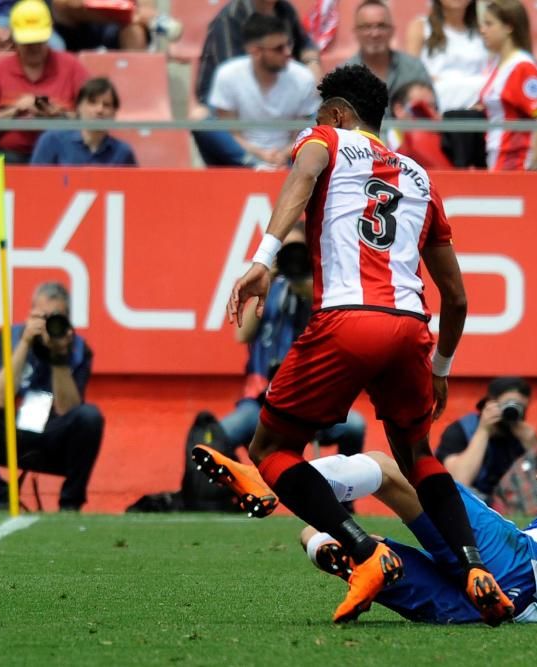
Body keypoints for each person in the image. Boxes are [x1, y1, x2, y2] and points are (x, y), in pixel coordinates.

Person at [210, 63, 514, 626]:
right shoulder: (421, 177)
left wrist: (263, 259)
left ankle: (363, 549)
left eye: (319, 113)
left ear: (340, 113)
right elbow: (459, 297)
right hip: (408, 327)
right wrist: (441, 369)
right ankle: (476, 567)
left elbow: (302, 176)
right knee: (416, 453)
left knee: (271, 448)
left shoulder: (326, 139)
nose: (313, 123)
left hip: (348, 318)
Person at [197, 429, 537, 624]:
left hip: (518, 562)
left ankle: (270, 479)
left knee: (389, 469)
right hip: (491, 610)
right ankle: (355, 559)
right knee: (315, 535)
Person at [219, 225, 366, 475]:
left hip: (312, 399)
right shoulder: (268, 289)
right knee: (219, 435)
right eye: (285, 251)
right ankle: (234, 495)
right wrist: (267, 279)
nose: (292, 257)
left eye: (298, 251)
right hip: (261, 400)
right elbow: (241, 334)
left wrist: (306, 286)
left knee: (354, 425)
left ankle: (346, 495)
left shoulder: (324, 292)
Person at [0, 282, 104, 512]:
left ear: (67, 318)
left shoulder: (77, 348)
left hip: (51, 434)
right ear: (31, 314)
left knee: (90, 416)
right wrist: (25, 343)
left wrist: (58, 356)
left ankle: (71, 504)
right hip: (8, 427)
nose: (47, 324)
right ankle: (1, 498)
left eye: (54, 317)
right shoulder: (11, 337)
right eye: (42, 316)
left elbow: (68, 409)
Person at [193, 13, 320, 168]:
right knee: (200, 119)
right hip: (242, 155)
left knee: (321, 121)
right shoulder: (228, 74)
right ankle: (255, 166)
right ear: (256, 51)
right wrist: (259, 155)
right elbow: (233, 134)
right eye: (279, 49)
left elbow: (299, 133)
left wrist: (282, 155)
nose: (287, 53)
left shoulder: (302, 77)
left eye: (289, 45)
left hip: (288, 157)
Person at [0, 0, 89, 164]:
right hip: (10, 157)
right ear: (13, 37)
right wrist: (14, 112)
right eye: (27, 43)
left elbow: (94, 118)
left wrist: (58, 115)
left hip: (61, 157)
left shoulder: (73, 68)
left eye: (39, 41)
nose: (34, 47)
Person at [435, 376, 537, 505]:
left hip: (509, 503)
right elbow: (459, 481)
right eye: (508, 404)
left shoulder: (524, 435)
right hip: (470, 502)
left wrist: (533, 446)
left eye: (519, 406)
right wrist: (483, 431)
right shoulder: (462, 429)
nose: (512, 410)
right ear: (489, 404)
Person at [194, 0, 320, 106]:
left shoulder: (285, 9)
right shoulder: (230, 18)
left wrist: (311, 65)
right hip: (226, 103)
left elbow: (306, 47)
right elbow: (234, 80)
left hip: (275, 93)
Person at [475, 0, 537, 171]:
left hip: (516, 162)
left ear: (508, 26)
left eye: (489, 24)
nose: (482, 30)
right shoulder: (497, 64)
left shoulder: (522, 67)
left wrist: (534, 165)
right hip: (496, 155)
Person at [342, 0, 432, 116]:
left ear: (392, 30)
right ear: (356, 32)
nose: (375, 33)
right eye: (366, 27)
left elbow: (432, 115)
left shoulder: (414, 69)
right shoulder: (343, 76)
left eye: (381, 26)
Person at [404, 0, 489, 113]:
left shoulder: (482, 31)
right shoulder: (421, 26)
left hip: (476, 110)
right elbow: (411, 72)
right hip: (438, 109)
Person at [31, 77, 137, 166]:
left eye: (107, 105)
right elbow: (34, 184)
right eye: (92, 103)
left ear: (114, 113)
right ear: (78, 107)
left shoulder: (123, 152)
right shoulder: (51, 140)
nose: (99, 110)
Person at [387, 80, 454, 169]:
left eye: (434, 107)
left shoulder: (449, 144)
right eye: (420, 108)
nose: (431, 113)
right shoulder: (378, 141)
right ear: (399, 109)